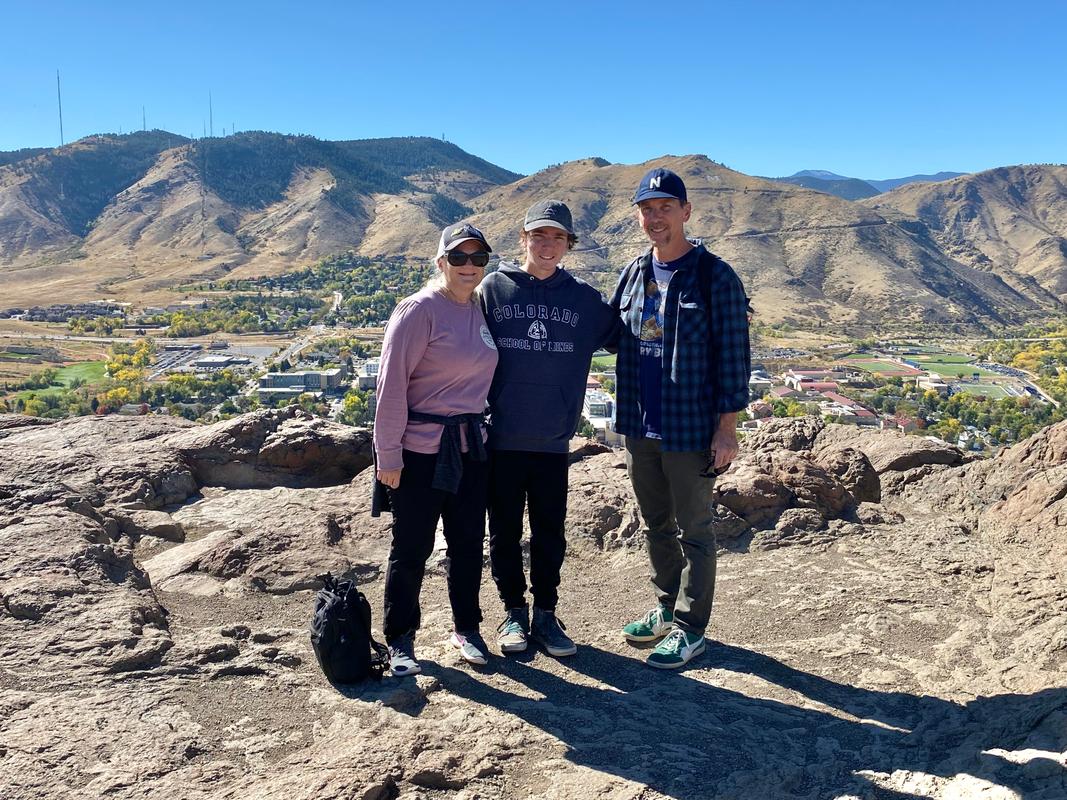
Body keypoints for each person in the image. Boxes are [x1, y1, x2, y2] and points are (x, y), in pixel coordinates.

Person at [611, 168, 751, 669]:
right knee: (655, 525)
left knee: (695, 528)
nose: (655, 217)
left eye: (665, 207)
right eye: (647, 209)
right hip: (639, 421)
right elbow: (609, 333)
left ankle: (692, 628)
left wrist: (726, 428)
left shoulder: (716, 277)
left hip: (690, 425)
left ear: (686, 212)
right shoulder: (632, 273)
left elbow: (734, 358)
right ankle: (666, 607)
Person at [479, 199, 617, 657]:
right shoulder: (492, 290)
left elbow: (634, 333)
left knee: (549, 531)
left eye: (558, 237)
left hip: (553, 441)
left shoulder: (582, 298)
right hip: (501, 437)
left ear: (569, 244)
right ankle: (512, 613)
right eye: (539, 235)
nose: (548, 244)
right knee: (502, 531)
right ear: (523, 238)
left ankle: (545, 613)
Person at [373, 222, 500, 676]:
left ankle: (467, 628)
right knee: (412, 548)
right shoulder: (419, 310)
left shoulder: (478, 309)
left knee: (467, 544)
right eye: (460, 258)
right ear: (441, 261)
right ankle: (400, 639)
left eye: (478, 258)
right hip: (421, 451)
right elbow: (390, 386)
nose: (469, 266)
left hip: (471, 449)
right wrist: (387, 455)